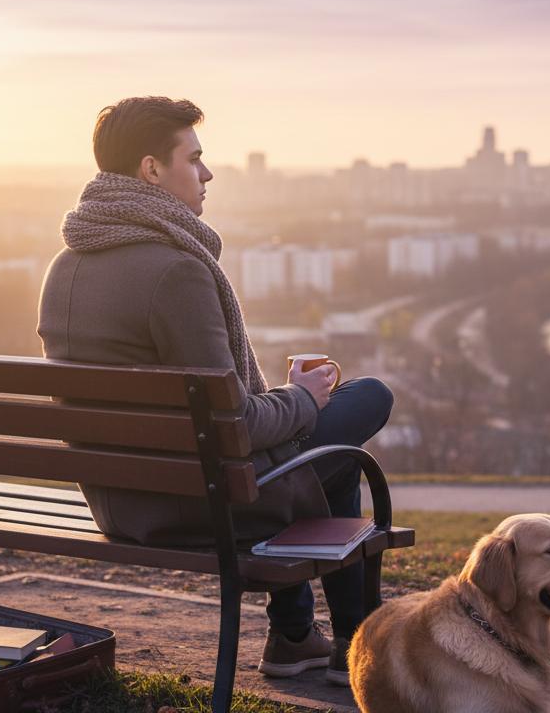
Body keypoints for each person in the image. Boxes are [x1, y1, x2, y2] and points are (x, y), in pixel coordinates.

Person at [37, 96, 392, 687]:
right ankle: (352, 648)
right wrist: (302, 398)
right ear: (152, 170)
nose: (206, 174)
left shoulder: (66, 263)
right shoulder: (177, 270)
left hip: (120, 497)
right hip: (199, 502)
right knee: (365, 404)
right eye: (194, 159)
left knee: (329, 456)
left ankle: (300, 636)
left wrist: (288, 400)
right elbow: (240, 426)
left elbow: (213, 412)